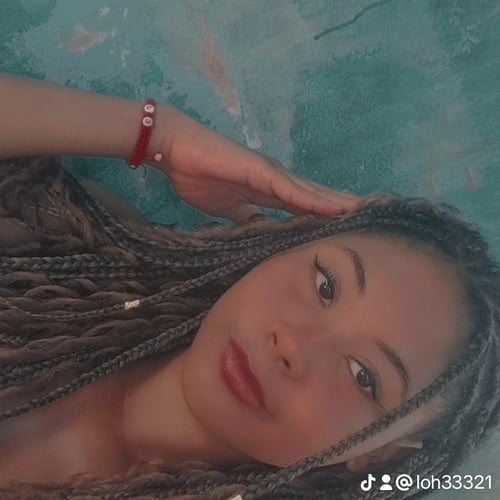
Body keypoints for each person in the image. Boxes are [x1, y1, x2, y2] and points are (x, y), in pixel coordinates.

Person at [0, 73, 498, 500]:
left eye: (363, 375)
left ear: (377, 454)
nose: (294, 346)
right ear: (286, 247)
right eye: (325, 286)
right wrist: (161, 136)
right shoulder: (73, 254)